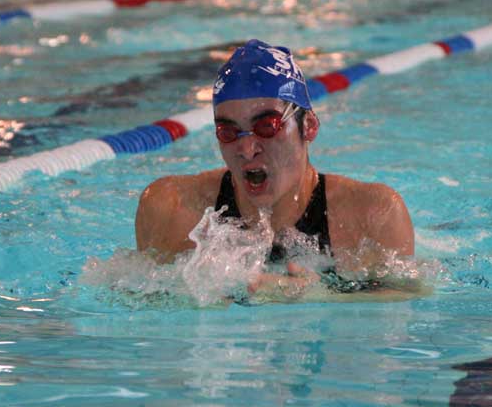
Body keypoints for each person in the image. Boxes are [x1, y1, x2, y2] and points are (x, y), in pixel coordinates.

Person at [135, 39, 414, 298]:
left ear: (309, 126)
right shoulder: (171, 209)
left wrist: (318, 296)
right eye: (229, 132)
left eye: (267, 126)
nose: (247, 149)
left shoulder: (372, 215)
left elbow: (406, 300)